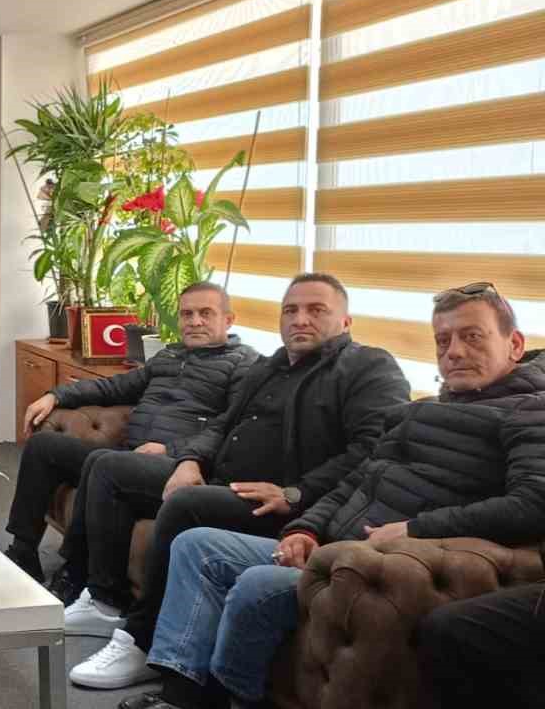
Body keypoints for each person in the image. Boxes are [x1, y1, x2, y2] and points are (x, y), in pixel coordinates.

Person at [116, 282, 545, 709]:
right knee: (196, 545)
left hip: (378, 565)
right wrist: (305, 529)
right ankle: (184, 693)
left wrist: (416, 529)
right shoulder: (422, 409)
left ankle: (231, 697)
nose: (454, 352)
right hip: (331, 547)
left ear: (514, 344)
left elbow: (532, 503)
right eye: (443, 340)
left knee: (256, 583)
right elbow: (359, 477)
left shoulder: (529, 411)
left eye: (472, 337)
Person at [68, 273, 410, 690]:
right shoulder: (271, 365)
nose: (300, 319)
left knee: (185, 505)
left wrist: (297, 493)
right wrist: (191, 460)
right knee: (111, 467)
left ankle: (140, 640)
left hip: (284, 502)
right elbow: (222, 423)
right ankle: (101, 597)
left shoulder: (368, 367)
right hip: (223, 477)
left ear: (346, 321)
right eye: (290, 310)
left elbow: (372, 451)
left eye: (316, 310)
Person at [9, 282, 260, 586]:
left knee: (104, 464)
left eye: (205, 313)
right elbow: (113, 387)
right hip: (127, 455)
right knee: (43, 446)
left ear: (228, 320)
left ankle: (77, 573)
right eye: (187, 314)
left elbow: (231, 427)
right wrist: (55, 395)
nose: (195, 321)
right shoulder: (169, 355)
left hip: (177, 466)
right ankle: (23, 551)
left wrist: (171, 450)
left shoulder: (244, 364)